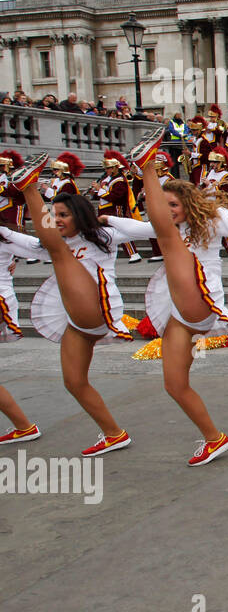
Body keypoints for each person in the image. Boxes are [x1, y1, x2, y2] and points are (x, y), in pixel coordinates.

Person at [112, 130, 228, 465]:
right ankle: (214, 438)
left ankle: (147, 167)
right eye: (164, 205)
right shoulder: (164, 228)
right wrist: (99, 222)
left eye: (173, 204)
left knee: (168, 241)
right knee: (174, 383)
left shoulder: (214, 220)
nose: (168, 210)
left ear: (187, 203)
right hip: (177, 311)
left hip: (202, 298)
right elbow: (134, 229)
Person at [14, 156, 139, 457]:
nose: (57, 220)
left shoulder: (102, 237)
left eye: (63, 215)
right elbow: (19, 241)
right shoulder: (53, 243)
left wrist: (109, 219)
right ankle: (114, 433)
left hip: (100, 308)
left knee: (58, 252)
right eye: (54, 214)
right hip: (76, 321)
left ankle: (28, 187)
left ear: (79, 216)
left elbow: (149, 229)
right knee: (73, 382)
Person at [0, 224, 49, 444]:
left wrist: (13, 257)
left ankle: (24, 426)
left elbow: (42, 248)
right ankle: (23, 426)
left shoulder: (4, 233)